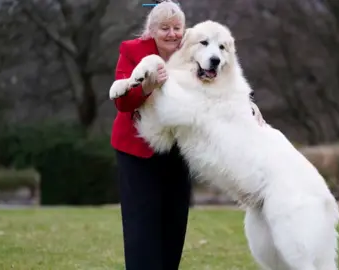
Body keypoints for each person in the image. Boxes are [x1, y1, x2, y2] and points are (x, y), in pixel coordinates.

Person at [110, 1, 266, 269]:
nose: (171, 34)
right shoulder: (132, 51)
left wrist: (247, 106)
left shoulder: (195, 49)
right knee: (141, 224)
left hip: (180, 148)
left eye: (176, 28)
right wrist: (146, 86)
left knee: (174, 223)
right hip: (138, 151)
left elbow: (219, 89)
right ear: (151, 30)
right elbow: (122, 104)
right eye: (164, 28)